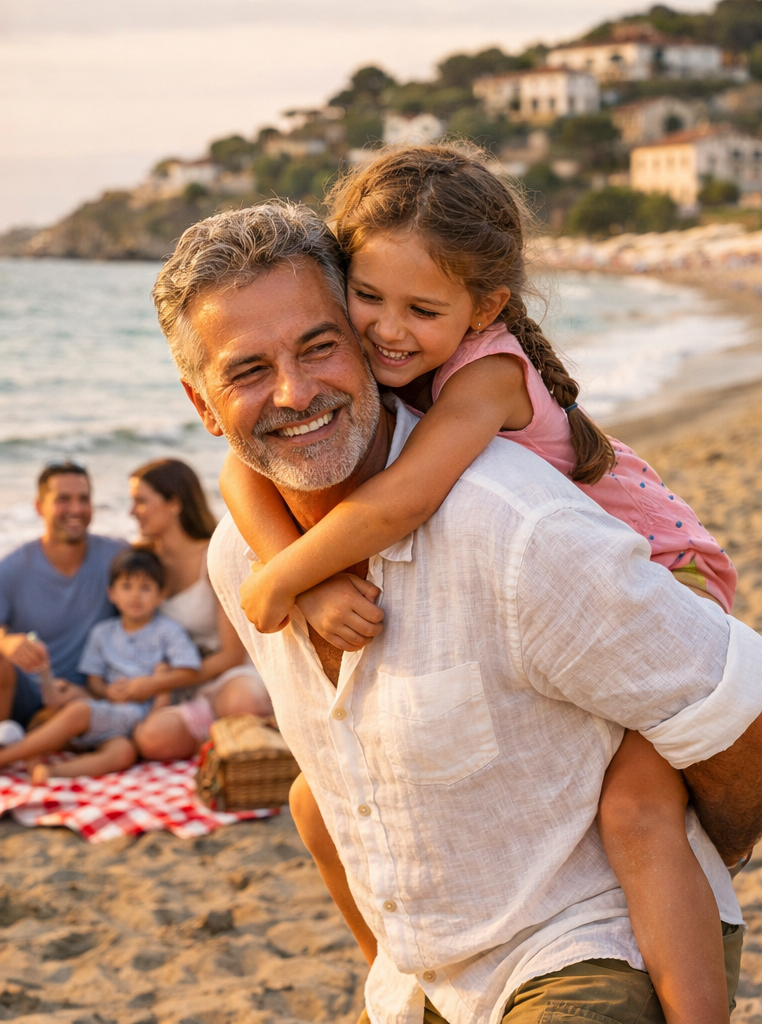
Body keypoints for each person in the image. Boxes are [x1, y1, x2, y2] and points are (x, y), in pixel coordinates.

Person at [153, 200, 762, 1024]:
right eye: (249, 370)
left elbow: (743, 710)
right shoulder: (240, 556)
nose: (295, 392)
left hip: (592, 941)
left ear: (366, 345)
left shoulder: (512, 526)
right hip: (421, 979)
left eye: (319, 345)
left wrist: (691, 845)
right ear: (204, 405)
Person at [0, 546, 200, 780]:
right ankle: (30, 764)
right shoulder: (102, 633)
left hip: (142, 716)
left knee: (109, 740)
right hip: (109, 708)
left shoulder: (168, 631)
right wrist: (106, 690)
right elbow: (93, 680)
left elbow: (189, 669)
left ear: (160, 595)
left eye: (145, 588)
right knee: (90, 723)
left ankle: (29, 764)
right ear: (111, 594)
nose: (135, 596)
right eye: (126, 587)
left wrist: (155, 682)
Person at [127, 459, 272, 762]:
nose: (131, 512)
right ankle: (224, 746)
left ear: (174, 503)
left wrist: (158, 683)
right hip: (178, 687)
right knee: (152, 740)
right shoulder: (140, 563)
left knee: (244, 701)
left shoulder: (214, 557)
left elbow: (231, 656)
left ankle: (236, 745)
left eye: (141, 501)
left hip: (226, 676)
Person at [0, 460, 127, 730]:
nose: (76, 509)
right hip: (21, 697)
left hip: (84, 697)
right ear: (39, 507)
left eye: (84, 499)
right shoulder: (11, 568)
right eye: (63, 499)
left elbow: (162, 565)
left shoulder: (116, 556)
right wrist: (6, 643)